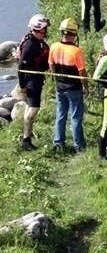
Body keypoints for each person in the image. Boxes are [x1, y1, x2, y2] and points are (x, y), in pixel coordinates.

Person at [49, 18, 87, 153]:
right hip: (74, 88)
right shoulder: (76, 51)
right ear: (74, 34)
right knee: (76, 116)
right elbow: (82, 71)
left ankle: (59, 142)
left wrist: (56, 79)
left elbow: (51, 65)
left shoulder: (53, 46)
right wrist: (86, 87)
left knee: (60, 114)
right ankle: (79, 145)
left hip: (60, 87)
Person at [16, 14, 51, 151]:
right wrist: (23, 85)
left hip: (36, 78)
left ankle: (27, 134)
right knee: (33, 109)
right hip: (32, 81)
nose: (45, 32)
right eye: (44, 30)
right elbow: (20, 67)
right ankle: (26, 139)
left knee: (30, 108)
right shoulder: (30, 46)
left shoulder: (36, 41)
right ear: (37, 30)